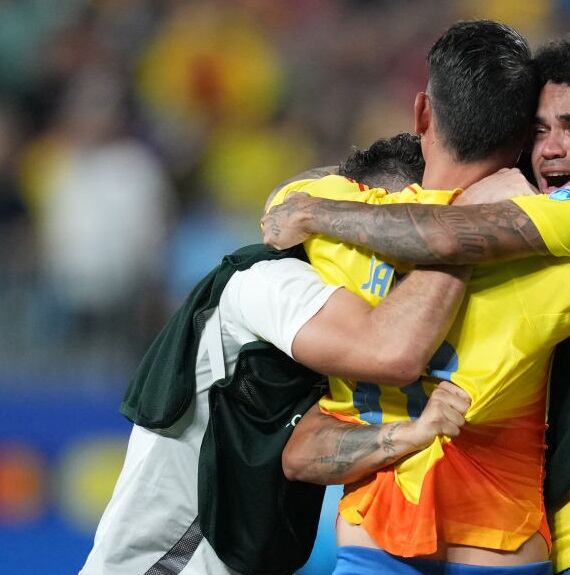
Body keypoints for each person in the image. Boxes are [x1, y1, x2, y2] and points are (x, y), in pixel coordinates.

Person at [263, 33, 570, 574]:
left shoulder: (328, 223)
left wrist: (314, 213)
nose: (551, 147)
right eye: (540, 130)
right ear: (515, 141)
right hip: (530, 543)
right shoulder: (564, 271)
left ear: (423, 113)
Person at [79, 133, 472, 575]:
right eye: (407, 233)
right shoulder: (271, 282)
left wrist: (414, 432)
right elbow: (391, 351)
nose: (410, 250)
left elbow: (303, 451)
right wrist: (464, 233)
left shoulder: (333, 308)